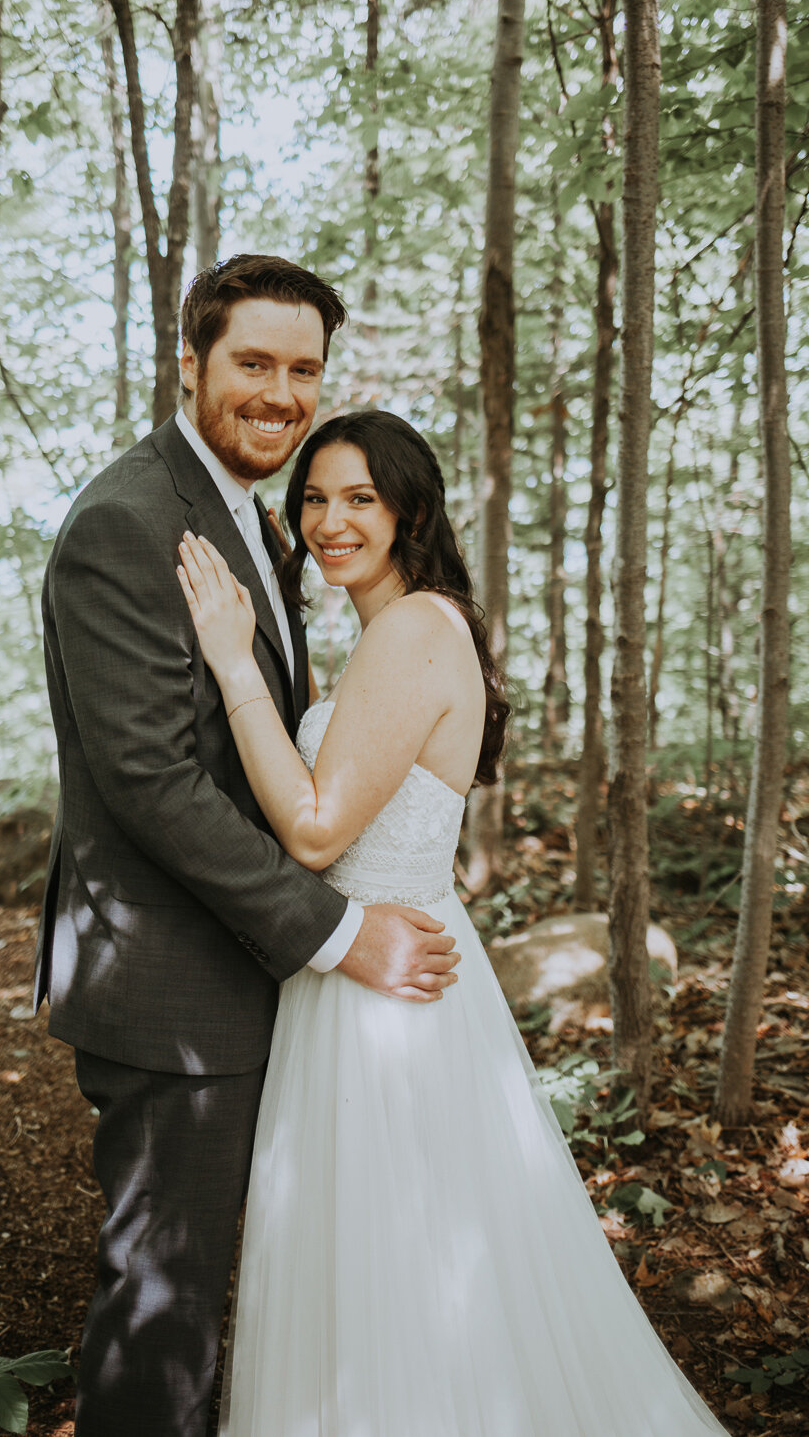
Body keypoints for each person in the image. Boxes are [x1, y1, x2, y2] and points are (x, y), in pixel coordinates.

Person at [177, 410, 724, 1434]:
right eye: (311, 497)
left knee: (400, 1264)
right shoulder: (399, 629)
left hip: (387, 991)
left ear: (409, 511)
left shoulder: (414, 629)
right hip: (356, 967)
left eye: (358, 498)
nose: (328, 520)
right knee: (375, 1260)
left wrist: (230, 661)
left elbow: (310, 826)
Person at [29, 256, 462, 1434]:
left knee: (267, 1285)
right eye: (252, 363)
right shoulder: (128, 520)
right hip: (172, 986)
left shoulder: (255, 523)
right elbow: (151, 781)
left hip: (255, 979)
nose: (279, 392)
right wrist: (334, 930)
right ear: (190, 363)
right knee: (163, 1299)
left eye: (301, 369)